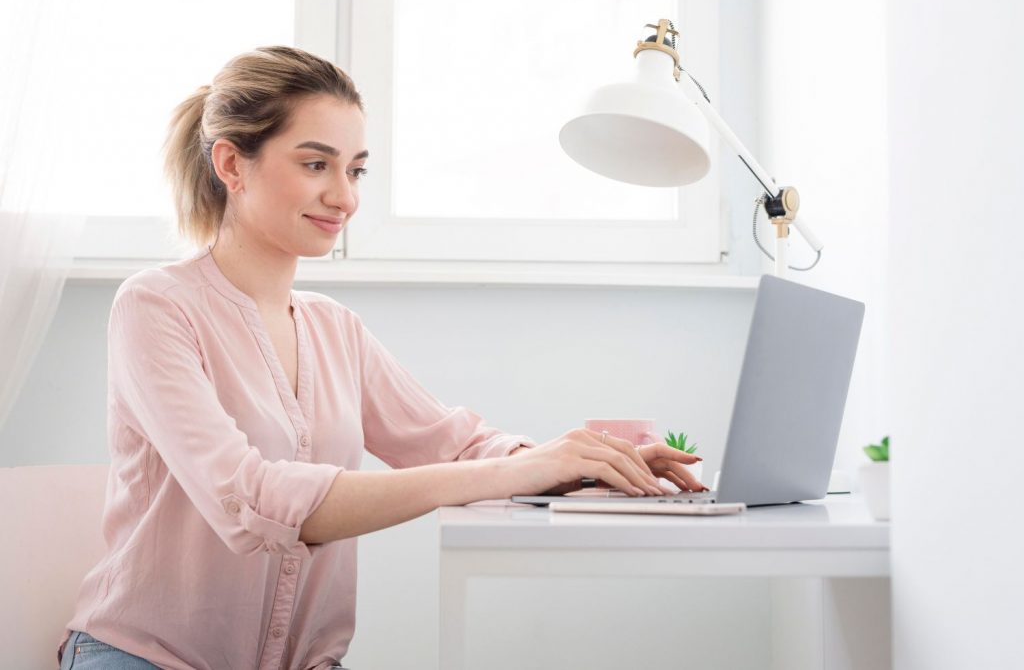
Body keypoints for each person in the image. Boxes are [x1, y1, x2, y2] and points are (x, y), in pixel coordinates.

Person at [56, 46, 704, 670]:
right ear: (232, 164)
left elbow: (455, 444)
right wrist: (514, 472)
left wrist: (580, 463)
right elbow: (248, 499)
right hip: (146, 659)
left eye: (356, 169)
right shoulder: (156, 307)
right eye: (316, 165)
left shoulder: (336, 329)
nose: (345, 197)